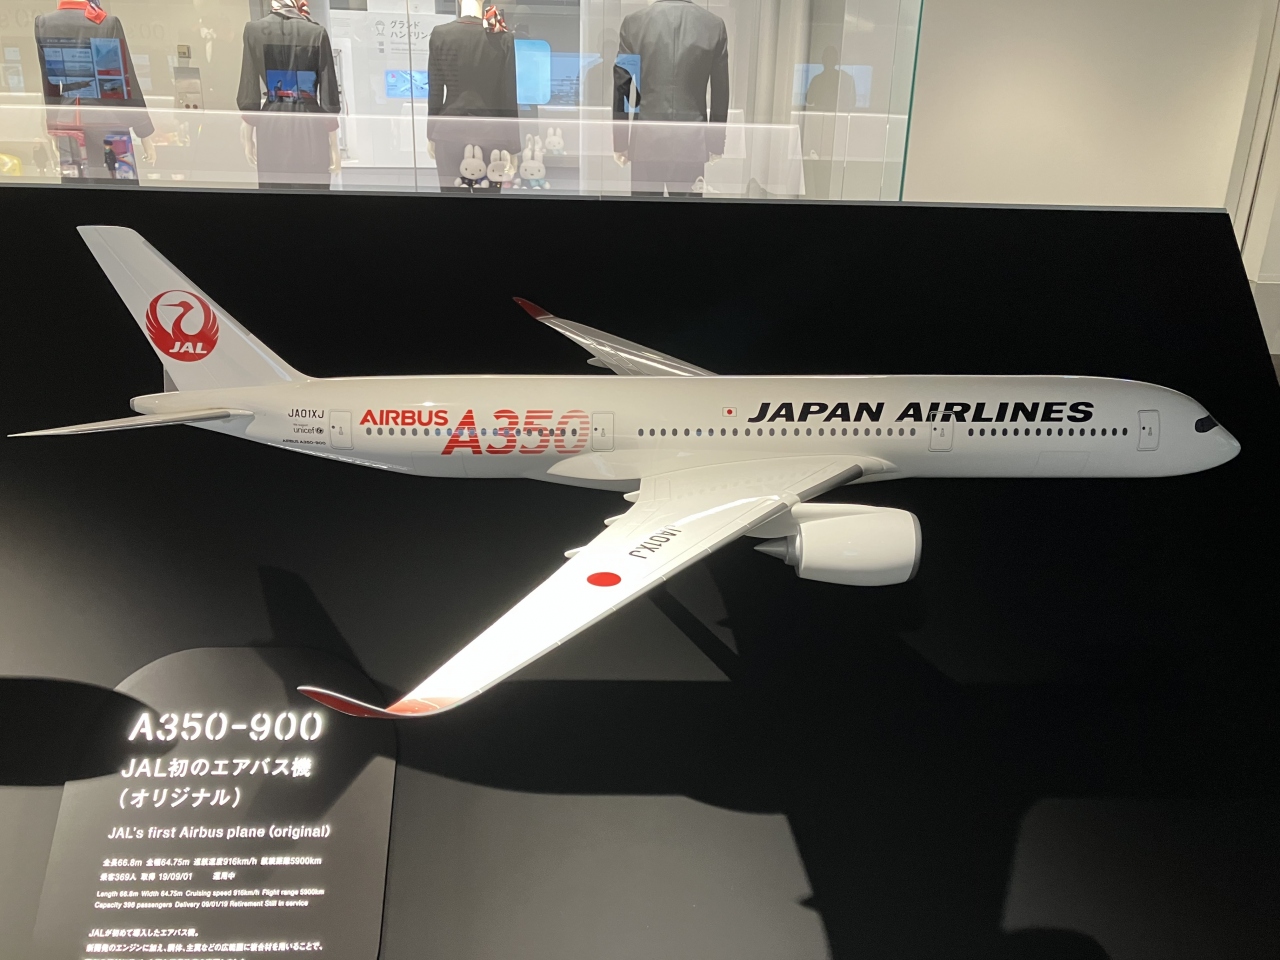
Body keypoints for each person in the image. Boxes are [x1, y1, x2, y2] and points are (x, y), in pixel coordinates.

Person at [612, 0, 729, 198]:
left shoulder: (633, 24)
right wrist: (716, 143)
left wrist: (620, 142)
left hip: (645, 141)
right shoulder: (714, 26)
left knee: (643, 214)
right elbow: (721, 90)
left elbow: (621, 86)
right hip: (692, 142)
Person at [34, 0, 155, 184]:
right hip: (108, 119)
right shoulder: (107, 23)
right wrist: (144, 131)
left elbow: (49, 83)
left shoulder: (43, 23)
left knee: (77, 191)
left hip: (68, 121)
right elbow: (124, 79)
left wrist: (54, 126)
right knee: (118, 188)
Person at [237, 0, 341, 190]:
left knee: (274, 192)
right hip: (310, 123)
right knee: (312, 192)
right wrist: (334, 143)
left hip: (271, 123)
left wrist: (247, 132)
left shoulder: (253, 30)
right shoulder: (316, 32)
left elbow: (249, 85)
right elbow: (329, 93)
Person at [426, 0, 518, 193]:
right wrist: (513, 145)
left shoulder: (440, 34)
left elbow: (435, 91)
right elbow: (508, 94)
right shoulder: (503, 37)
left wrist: (431, 134)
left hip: (448, 132)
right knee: (489, 199)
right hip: (492, 133)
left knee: (451, 199)